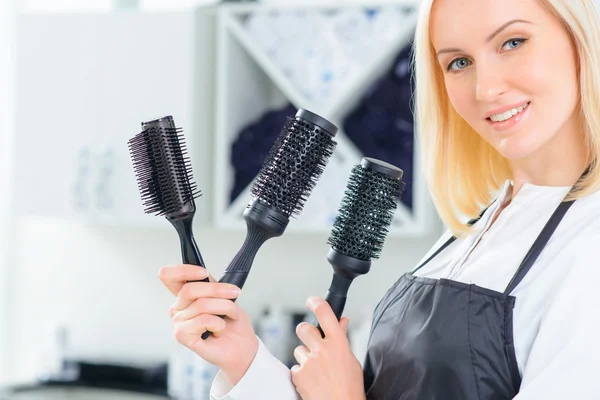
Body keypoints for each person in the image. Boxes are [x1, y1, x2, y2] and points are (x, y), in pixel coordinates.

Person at [159, 0, 600, 398]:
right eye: (459, 62)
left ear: (580, 37)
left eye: (513, 42)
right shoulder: (474, 226)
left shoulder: (589, 247)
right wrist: (245, 361)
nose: (485, 88)